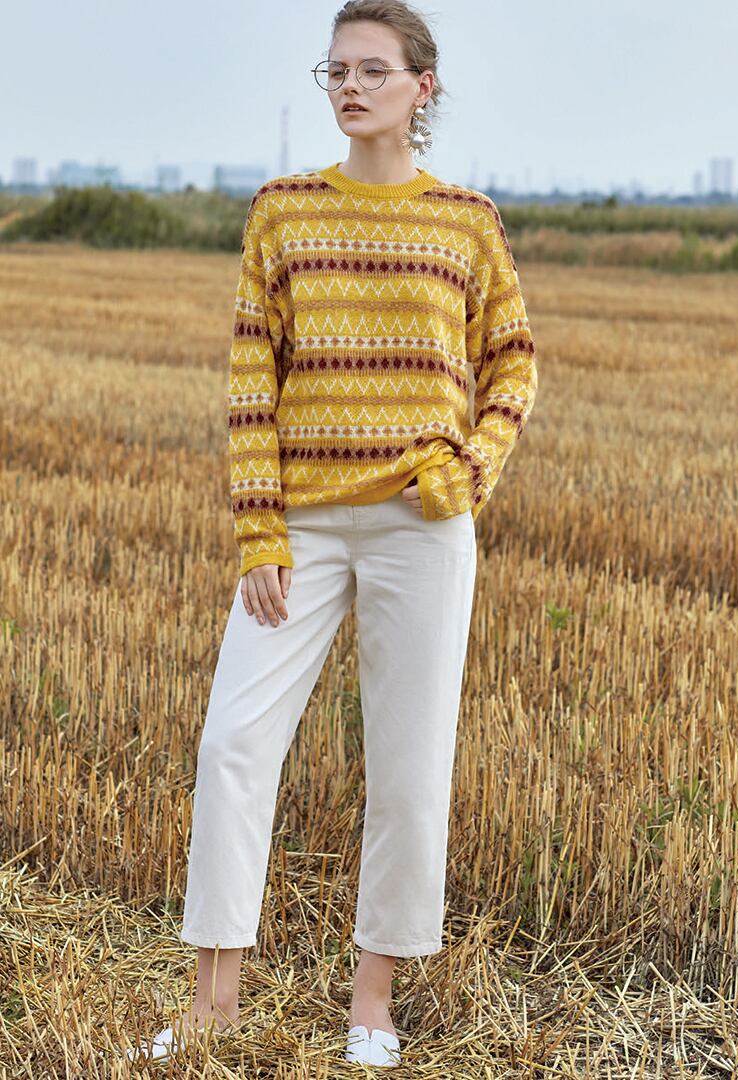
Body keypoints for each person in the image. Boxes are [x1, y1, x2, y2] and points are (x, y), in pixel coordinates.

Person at [126, 0, 537, 1068]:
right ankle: (212, 1002)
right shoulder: (282, 211)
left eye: (371, 70)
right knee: (232, 745)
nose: (350, 87)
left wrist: (474, 468)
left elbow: (513, 361)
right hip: (300, 530)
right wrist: (259, 533)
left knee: (407, 767)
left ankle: (373, 1005)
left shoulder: (468, 222)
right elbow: (249, 380)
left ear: (421, 87)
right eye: (335, 71)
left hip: (423, 529)